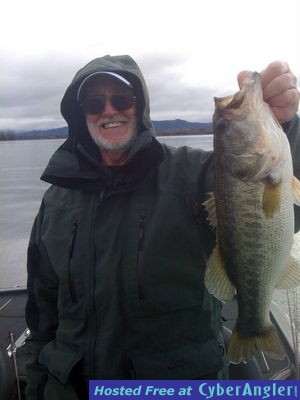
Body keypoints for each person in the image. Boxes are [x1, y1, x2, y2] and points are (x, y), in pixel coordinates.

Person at [25, 55, 300, 399]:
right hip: (74, 389)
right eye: (95, 102)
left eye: (122, 99)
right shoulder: (56, 200)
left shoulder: (192, 173)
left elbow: (272, 209)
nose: (109, 110)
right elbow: (42, 312)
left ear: (139, 107)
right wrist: (36, 383)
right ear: (81, 115)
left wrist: (287, 125)